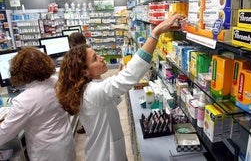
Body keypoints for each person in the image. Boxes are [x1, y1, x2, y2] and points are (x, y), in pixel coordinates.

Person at [55, 13, 182, 161]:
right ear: (85, 71)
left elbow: (110, 99)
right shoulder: (93, 91)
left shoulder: (89, 88)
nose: (102, 58)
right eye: (95, 59)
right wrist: (155, 33)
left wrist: (118, 79)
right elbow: (131, 75)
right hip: (106, 156)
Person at [0, 47, 76, 161]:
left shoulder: (23, 101)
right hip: (65, 141)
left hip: (46, 152)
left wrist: (8, 118)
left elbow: (4, 135)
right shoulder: (56, 82)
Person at [68, 32, 87, 134]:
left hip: (80, 86)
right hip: (86, 85)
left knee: (83, 108)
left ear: (72, 44)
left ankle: (86, 126)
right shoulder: (87, 52)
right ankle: (86, 125)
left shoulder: (75, 56)